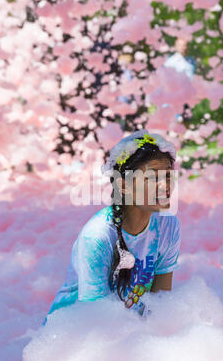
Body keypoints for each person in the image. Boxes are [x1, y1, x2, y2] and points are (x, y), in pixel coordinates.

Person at [44, 129, 181, 323]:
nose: (164, 186)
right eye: (152, 178)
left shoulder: (168, 226)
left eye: (168, 176)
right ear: (123, 185)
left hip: (127, 333)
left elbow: (160, 304)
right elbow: (96, 319)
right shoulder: (97, 236)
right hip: (73, 334)